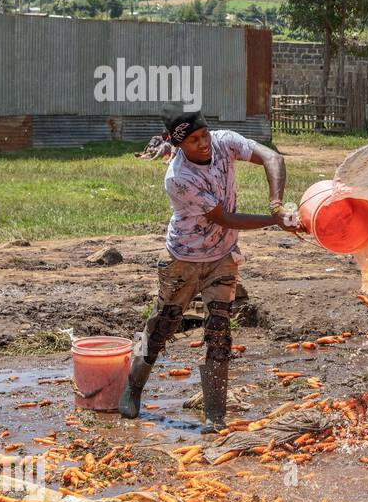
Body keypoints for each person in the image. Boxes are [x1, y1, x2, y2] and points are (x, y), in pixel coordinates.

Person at [118, 101, 297, 431]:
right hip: (183, 259)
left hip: (222, 257)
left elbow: (273, 157)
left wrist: (276, 204)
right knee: (162, 326)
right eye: (193, 140)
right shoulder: (179, 178)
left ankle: (216, 415)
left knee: (219, 331)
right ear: (178, 144)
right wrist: (276, 222)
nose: (203, 143)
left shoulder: (225, 141)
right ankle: (133, 387)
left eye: (204, 135)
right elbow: (224, 217)